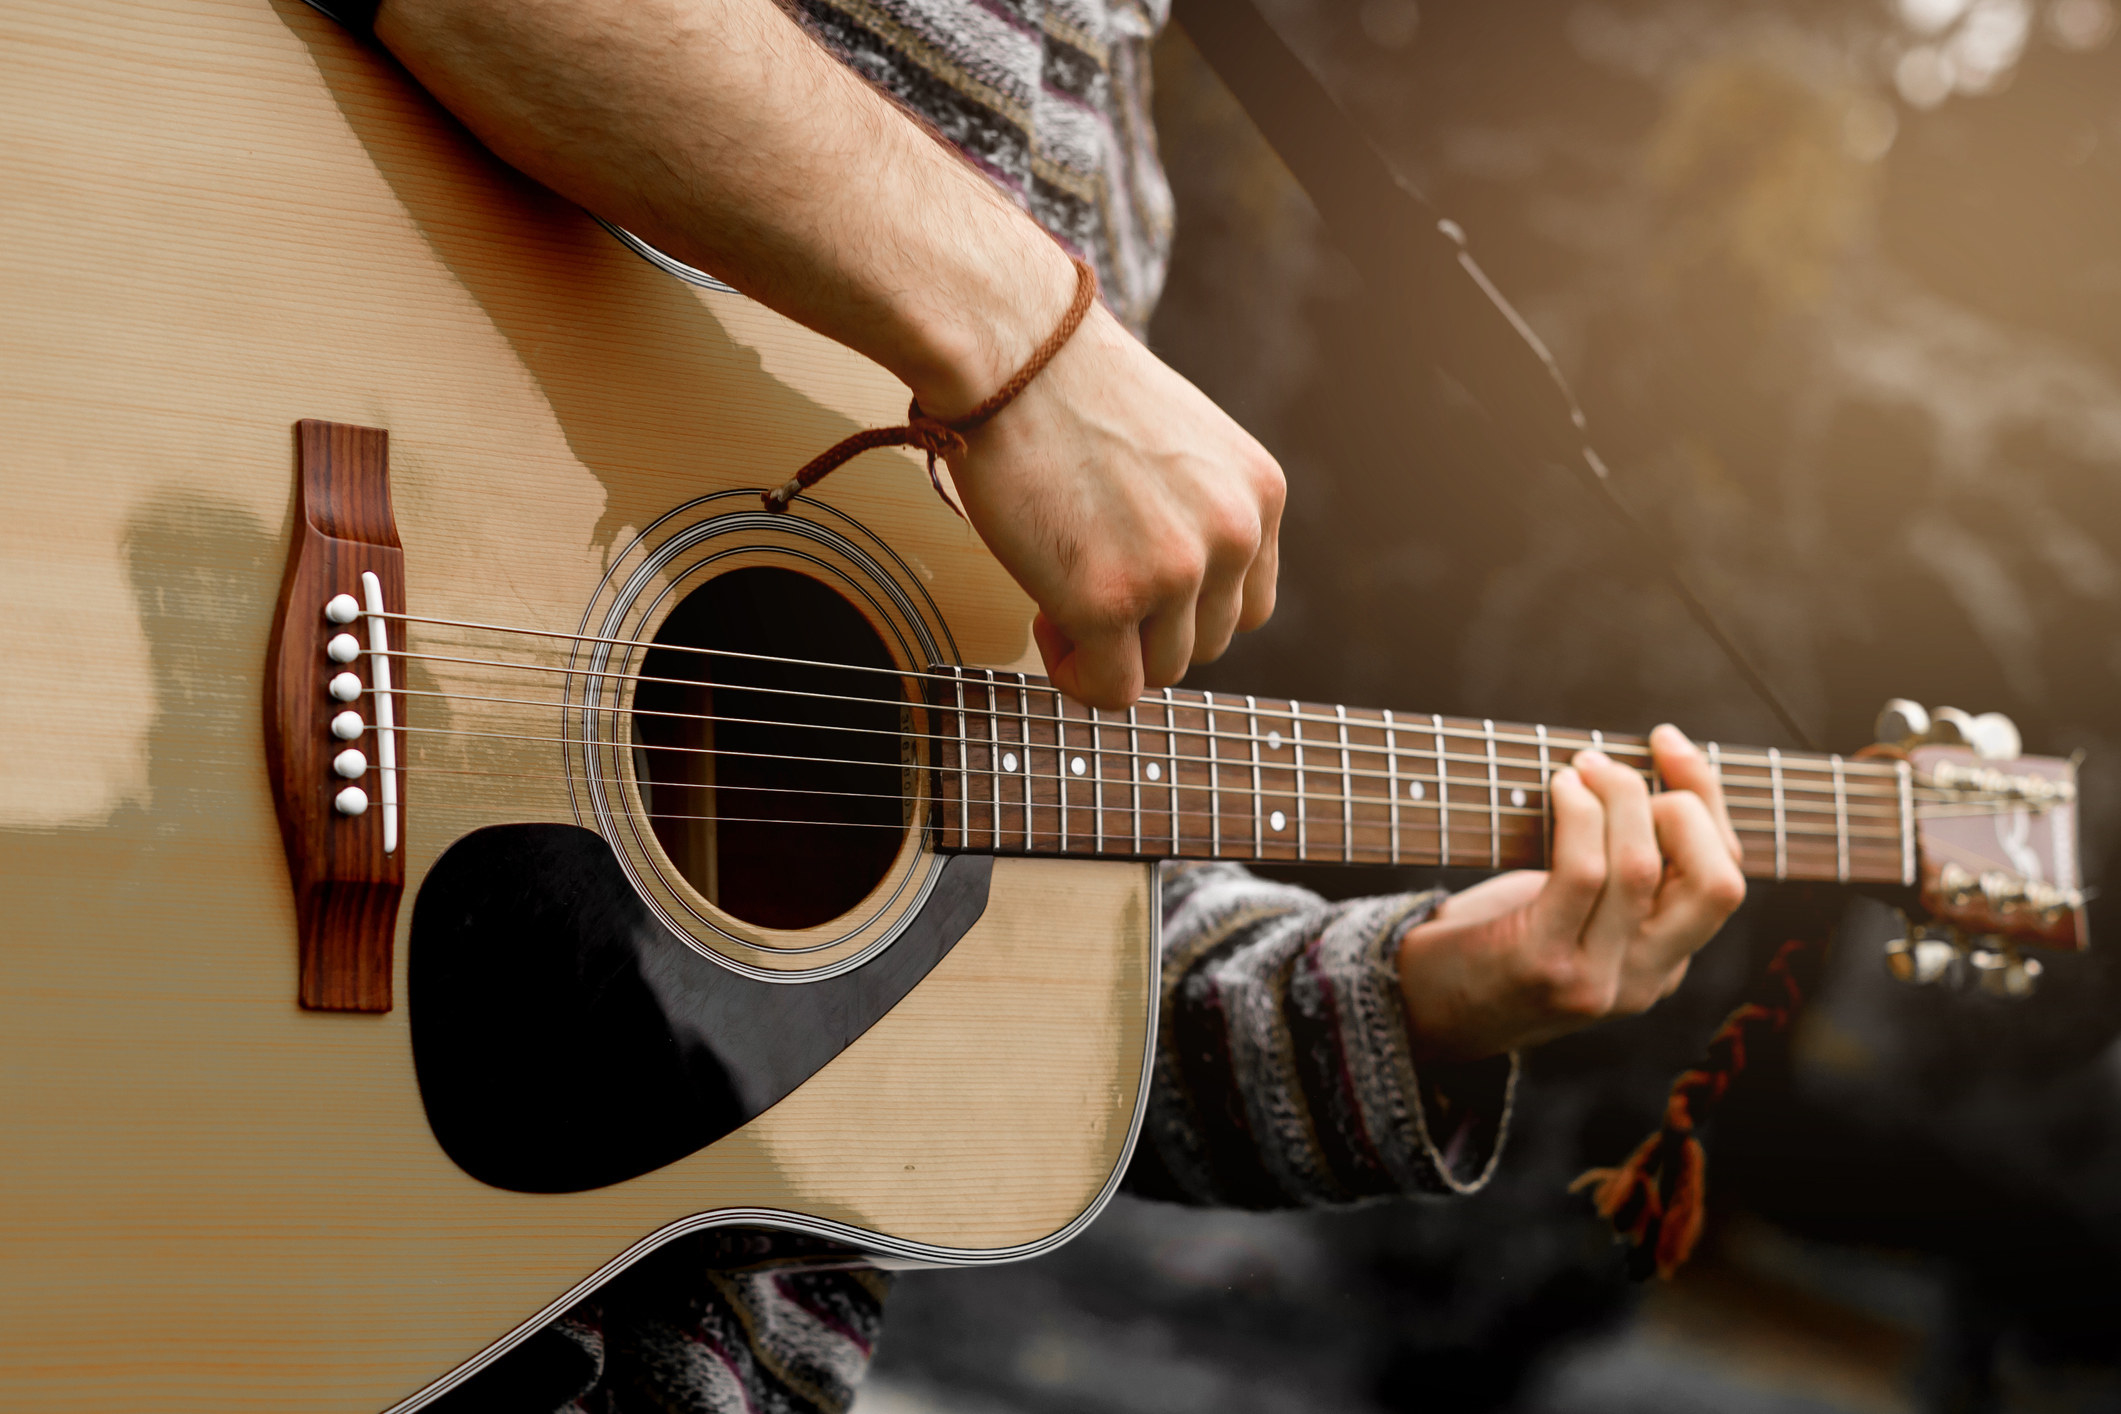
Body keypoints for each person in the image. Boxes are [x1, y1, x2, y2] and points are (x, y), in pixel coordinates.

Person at [301, 2, 1749, 1408]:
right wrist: (1027, 335)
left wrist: (1419, 991)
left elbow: (978, 915)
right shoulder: (1064, 288)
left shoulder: (1118, 121)